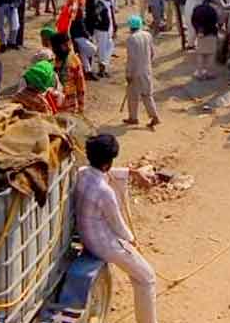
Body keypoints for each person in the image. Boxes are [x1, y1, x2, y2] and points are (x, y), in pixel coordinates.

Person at [74, 134, 159, 323]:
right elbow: (117, 224)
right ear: (108, 162)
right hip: (104, 244)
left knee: (140, 275)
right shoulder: (105, 192)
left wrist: (133, 172)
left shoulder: (81, 173)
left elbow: (108, 174)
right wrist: (131, 240)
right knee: (147, 278)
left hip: (87, 237)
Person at [124, 15, 160, 129]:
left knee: (132, 95)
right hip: (147, 70)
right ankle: (154, 116)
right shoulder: (147, 35)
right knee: (147, 95)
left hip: (135, 72)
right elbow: (152, 53)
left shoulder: (131, 39)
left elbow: (131, 59)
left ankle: (133, 117)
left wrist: (128, 74)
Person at [191, 0, 220, 80]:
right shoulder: (213, 9)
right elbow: (216, 21)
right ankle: (209, 73)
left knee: (200, 54)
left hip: (200, 34)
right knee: (210, 54)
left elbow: (193, 20)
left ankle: (200, 73)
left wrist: (198, 30)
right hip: (211, 33)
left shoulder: (197, 8)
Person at [93, 0, 117, 77]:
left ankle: (104, 66)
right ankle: (101, 70)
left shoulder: (106, 3)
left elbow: (111, 16)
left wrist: (114, 25)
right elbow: (95, 16)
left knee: (109, 46)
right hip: (101, 30)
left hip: (107, 30)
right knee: (102, 50)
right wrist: (99, 23)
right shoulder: (99, 4)